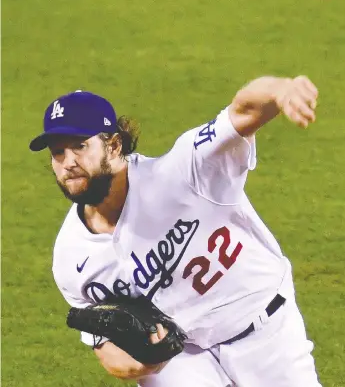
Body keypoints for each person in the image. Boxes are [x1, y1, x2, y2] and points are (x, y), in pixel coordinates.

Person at [30, 76, 321, 387]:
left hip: (264, 327)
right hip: (183, 357)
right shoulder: (71, 258)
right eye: (57, 152)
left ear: (113, 146)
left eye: (80, 146)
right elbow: (109, 353)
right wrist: (145, 361)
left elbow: (243, 111)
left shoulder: (184, 171)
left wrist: (280, 90)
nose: (68, 162)